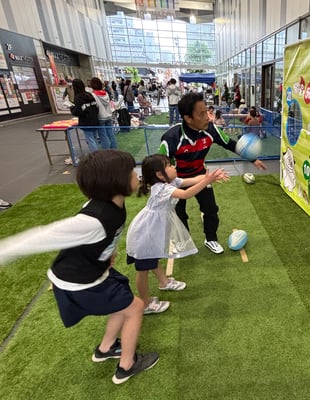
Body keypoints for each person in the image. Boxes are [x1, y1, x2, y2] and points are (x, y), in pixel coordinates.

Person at [0, 150, 159, 384]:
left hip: (94, 270)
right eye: (130, 172)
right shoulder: (92, 219)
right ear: (115, 181)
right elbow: (43, 236)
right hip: (79, 281)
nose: (136, 175)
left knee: (124, 299)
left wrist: (108, 253)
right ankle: (127, 366)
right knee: (135, 308)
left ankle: (105, 349)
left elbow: (107, 236)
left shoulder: (114, 202)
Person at [159, 92, 267, 254]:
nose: (208, 117)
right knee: (179, 212)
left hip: (202, 176)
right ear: (188, 118)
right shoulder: (171, 137)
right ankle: (184, 240)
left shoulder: (211, 129)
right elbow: (160, 165)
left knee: (211, 209)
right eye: (201, 114)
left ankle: (211, 239)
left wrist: (252, 159)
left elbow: (230, 144)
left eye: (207, 112)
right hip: (177, 181)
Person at [126, 154, 229, 314]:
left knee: (152, 259)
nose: (174, 167)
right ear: (160, 174)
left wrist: (210, 177)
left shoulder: (170, 182)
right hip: (146, 233)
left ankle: (164, 282)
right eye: (169, 165)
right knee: (143, 269)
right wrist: (207, 181)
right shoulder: (161, 188)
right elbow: (186, 194)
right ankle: (145, 304)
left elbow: (191, 180)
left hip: (153, 230)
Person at [69, 78, 99, 154]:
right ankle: (97, 154)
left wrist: (72, 108)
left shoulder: (78, 97)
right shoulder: (89, 95)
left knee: (90, 140)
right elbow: (96, 107)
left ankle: (95, 156)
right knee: (94, 138)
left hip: (86, 121)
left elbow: (78, 111)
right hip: (95, 119)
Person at [90, 77, 116, 149]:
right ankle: (114, 149)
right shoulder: (106, 93)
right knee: (111, 133)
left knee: (103, 136)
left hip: (100, 117)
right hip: (109, 115)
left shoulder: (93, 95)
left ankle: (107, 151)